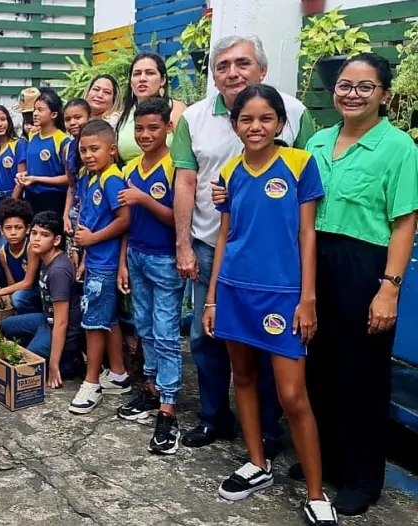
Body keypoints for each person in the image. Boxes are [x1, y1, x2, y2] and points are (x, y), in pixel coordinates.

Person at [171, 35, 314, 452]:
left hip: (273, 257)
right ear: (213, 75)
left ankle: (268, 429)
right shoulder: (194, 118)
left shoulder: (293, 112)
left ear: (262, 70)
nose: (232, 72)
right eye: (222, 66)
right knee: (203, 335)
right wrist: (183, 245)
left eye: (242, 63)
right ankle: (215, 417)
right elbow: (185, 182)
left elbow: (304, 179)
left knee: (269, 341)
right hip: (211, 245)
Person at [203, 84, 337, 524]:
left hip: (283, 296)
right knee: (241, 377)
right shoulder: (229, 172)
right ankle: (257, 464)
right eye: (246, 119)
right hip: (234, 291)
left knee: (293, 395)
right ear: (235, 124)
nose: (255, 126)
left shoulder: (300, 164)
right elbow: (226, 235)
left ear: (281, 123)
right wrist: (211, 299)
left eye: (265, 118)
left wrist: (308, 298)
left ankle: (317, 494)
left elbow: (307, 235)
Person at [302, 53, 418, 517]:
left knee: (362, 374)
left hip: (365, 265)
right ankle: (326, 460)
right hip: (316, 259)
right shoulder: (317, 142)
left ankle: (362, 476)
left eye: (365, 87)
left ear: (383, 95)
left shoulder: (399, 147)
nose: (352, 94)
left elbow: (405, 221)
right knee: (319, 365)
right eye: (345, 85)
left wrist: (389, 288)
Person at [115, 99, 186, 455]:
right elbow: (127, 220)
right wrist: (125, 261)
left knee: (166, 331)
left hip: (166, 260)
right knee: (143, 326)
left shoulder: (176, 166)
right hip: (138, 256)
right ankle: (152, 387)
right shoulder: (130, 168)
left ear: (168, 129)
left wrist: (144, 199)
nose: (145, 135)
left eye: (153, 128)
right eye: (139, 128)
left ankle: (168, 408)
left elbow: (178, 218)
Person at [69, 120, 130, 414]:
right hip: (94, 260)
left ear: (112, 149)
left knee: (93, 322)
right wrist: (82, 255)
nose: (88, 154)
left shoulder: (112, 179)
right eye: (84, 149)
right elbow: (89, 217)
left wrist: (93, 239)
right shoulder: (90, 177)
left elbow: (124, 220)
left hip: (105, 263)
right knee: (109, 319)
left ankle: (91, 381)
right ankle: (117, 373)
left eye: (95, 149)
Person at [0, 211, 84, 388]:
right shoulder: (45, 259)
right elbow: (27, 282)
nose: (36, 239)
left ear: (56, 240)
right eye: (35, 233)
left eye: (44, 235)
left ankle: (66, 362)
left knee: (28, 361)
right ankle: (45, 347)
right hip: (46, 321)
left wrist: (53, 367)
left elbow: (62, 323)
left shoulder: (58, 271)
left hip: (64, 331)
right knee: (5, 325)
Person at [0, 105, 27, 286]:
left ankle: (15, 287)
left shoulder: (19, 143)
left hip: (11, 199)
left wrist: (11, 204)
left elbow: (21, 177)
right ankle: (1, 289)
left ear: (9, 121)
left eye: (3, 119)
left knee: (6, 245)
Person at [116, 53, 188, 163]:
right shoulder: (122, 115)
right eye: (137, 74)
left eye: (150, 73)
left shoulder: (176, 109)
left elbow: (189, 154)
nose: (142, 79)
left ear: (163, 80)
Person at [15, 89, 71, 216]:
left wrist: (36, 179)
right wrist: (24, 175)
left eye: (40, 110)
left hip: (53, 198)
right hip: (30, 196)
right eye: (35, 109)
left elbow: (68, 179)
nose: (35, 114)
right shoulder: (33, 136)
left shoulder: (62, 141)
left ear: (54, 114)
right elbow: (36, 167)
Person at [0, 198, 41, 314]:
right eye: (8, 228)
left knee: (18, 298)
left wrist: (0, 292)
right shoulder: (3, 252)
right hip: (21, 292)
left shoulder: (31, 247)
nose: (13, 232)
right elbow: (11, 283)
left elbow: (28, 283)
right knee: (15, 298)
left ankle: (36, 318)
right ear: (1, 230)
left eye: (18, 227)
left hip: (38, 291)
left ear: (27, 229)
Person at [61, 98, 91, 239]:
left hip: (92, 214)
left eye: (78, 117)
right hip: (74, 212)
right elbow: (71, 186)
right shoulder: (67, 149)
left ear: (89, 117)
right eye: (68, 119)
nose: (72, 123)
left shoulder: (98, 147)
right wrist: (66, 215)